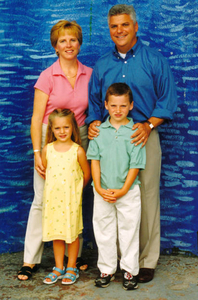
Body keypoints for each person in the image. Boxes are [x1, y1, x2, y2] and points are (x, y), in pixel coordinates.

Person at [86, 4, 177, 283]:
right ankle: (112, 263)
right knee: (108, 198)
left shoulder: (154, 60)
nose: (120, 30)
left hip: (143, 136)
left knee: (146, 198)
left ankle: (145, 261)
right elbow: (93, 102)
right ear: (109, 29)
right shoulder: (102, 64)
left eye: (125, 25)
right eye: (114, 26)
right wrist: (92, 122)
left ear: (135, 26)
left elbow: (167, 99)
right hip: (109, 139)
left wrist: (149, 125)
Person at [18, 20, 92, 281]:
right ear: (55, 46)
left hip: (80, 138)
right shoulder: (47, 76)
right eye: (63, 41)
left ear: (79, 43)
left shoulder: (90, 74)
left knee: (76, 197)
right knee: (42, 200)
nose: (68, 45)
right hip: (50, 139)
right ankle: (31, 259)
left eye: (73, 40)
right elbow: (37, 118)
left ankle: (75, 257)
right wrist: (38, 152)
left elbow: (95, 111)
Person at [87, 83, 146, 290]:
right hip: (102, 191)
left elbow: (136, 165)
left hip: (128, 191)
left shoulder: (136, 132)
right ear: (105, 105)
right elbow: (94, 160)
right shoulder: (98, 132)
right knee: (103, 230)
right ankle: (107, 269)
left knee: (129, 230)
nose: (118, 110)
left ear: (131, 105)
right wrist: (98, 187)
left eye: (122, 106)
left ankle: (129, 270)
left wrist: (123, 190)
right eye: (113, 106)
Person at [42, 109, 90, 285]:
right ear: (52, 130)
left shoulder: (77, 151)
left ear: (73, 128)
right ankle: (58, 266)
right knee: (57, 235)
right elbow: (46, 172)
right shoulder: (47, 150)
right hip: (53, 202)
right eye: (58, 128)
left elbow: (86, 174)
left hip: (71, 202)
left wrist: (74, 190)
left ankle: (71, 267)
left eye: (66, 127)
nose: (62, 131)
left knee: (72, 234)